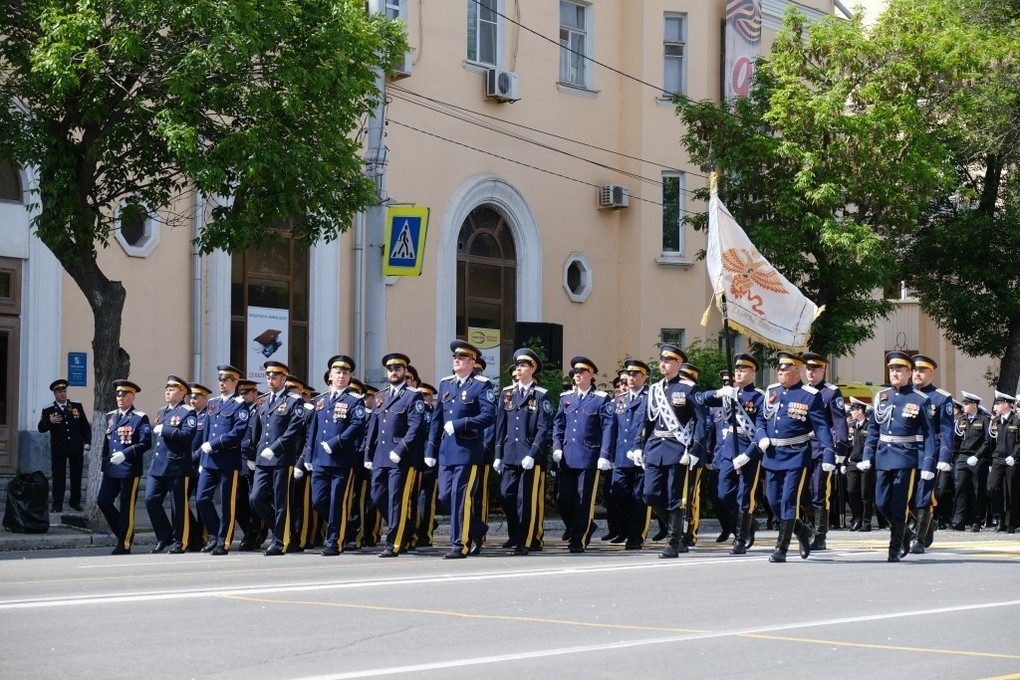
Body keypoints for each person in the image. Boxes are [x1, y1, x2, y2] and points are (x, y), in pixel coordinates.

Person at [755, 352, 834, 563]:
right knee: (773, 501)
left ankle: (781, 548)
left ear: (796, 370)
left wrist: (829, 453)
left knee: (789, 501)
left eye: (785, 369)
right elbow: (761, 420)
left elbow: (821, 427)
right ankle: (801, 529)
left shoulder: (809, 395)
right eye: (779, 369)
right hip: (773, 454)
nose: (780, 372)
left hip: (796, 455)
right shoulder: (771, 391)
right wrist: (761, 436)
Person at [860, 351, 936, 561]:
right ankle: (904, 531)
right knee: (881, 503)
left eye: (899, 370)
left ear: (909, 373)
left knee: (899, 505)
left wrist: (928, 465)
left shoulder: (921, 399)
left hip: (907, 457)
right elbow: (874, 428)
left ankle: (894, 548)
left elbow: (929, 435)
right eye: (892, 369)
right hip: (884, 455)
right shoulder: (882, 397)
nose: (894, 373)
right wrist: (868, 453)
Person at [426, 341, 497, 559]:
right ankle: (477, 528)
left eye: (462, 357)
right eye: (455, 357)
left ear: (471, 362)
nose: (456, 360)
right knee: (446, 496)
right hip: (447, 451)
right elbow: (436, 420)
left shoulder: (481, 385)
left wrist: (460, 424)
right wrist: (430, 449)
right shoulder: (446, 384)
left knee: (460, 497)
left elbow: (488, 415)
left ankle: (460, 545)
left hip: (467, 452)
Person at [639, 345, 707, 558]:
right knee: (649, 494)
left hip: (678, 448)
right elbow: (646, 421)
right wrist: (638, 446)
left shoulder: (689, 388)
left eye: (668, 361)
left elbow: (700, 420)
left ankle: (672, 543)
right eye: (662, 360)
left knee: (674, 498)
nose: (663, 364)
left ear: (678, 364)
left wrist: (695, 448)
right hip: (654, 447)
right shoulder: (654, 389)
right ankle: (676, 532)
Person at [301, 355, 368, 556]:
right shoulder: (320, 400)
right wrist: (308, 456)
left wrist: (336, 443)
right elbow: (313, 430)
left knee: (337, 501)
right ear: (331, 375)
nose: (341, 376)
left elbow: (357, 425)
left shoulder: (355, 400)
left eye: (345, 373)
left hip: (341, 460)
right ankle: (340, 527)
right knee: (318, 501)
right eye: (338, 372)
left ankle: (334, 542)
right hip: (320, 460)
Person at [551, 355, 613, 553]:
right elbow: (558, 424)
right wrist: (556, 446)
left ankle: (579, 538)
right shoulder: (566, 398)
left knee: (582, 499)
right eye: (575, 372)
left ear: (591, 374)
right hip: (567, 455)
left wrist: (604, 454)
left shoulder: (601, 399)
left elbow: (608, 427)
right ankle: (579, 527)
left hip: (588, 456)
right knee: (563, 498)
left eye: (581, 372)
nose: (577, 375)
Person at [704, 354, 765, 555]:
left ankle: (740, 538)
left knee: (744, 495)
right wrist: (719, 392)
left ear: (753, 373)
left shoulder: (759, 397)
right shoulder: (728, 393)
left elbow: (761, 429)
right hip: (729, 449)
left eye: (744, 370)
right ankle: (751, 523)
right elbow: (699, 399)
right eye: (737, 370)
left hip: (748, 450)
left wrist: (749, 454)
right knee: (723, 493)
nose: (738, 373)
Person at [365, 352, 424, 558]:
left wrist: (401, 450)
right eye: (390, 369)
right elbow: (373, 427)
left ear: (404, 371)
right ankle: (406, 529)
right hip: (381, 457)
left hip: (401, 458)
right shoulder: (380, 397)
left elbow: (415, 427)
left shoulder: (413, 395)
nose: (393, 372)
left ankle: (394, 543)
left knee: (396, 500)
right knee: (377, 496)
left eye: (398, 369)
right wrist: (367, 454)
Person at [494, 348, 552, 555]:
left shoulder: (540, 395)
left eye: (523, 365)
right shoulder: (507, 393)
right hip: (510, 453)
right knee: (505, 494)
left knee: (524, 500)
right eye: (517, 365)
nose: (519, 368)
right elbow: (500, 425)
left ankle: (525, 541)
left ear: (532, 369)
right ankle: (516, 533)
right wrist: (497, 455)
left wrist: (533, 453)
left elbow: (543, 429)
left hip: (529, 456)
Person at [248, 360, 306, 555]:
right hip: (263, 458)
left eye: (275, 377)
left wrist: (275, 447)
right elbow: (257, 430)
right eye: (268, 377)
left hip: (282, 458)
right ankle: (283, 531)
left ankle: (280, 542)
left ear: (283, 379)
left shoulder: (293, 401)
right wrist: (251, 454)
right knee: (256, 498)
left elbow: (293, 430)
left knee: (281, 501)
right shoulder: (263, 401)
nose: (271, 380)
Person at [196, 364, 250, 555]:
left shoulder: (241, 406)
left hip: (228, 461)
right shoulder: (213, 403)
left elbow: (237, 433)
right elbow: (206, 433)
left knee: (228, 503)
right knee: (202, 498)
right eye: (220, 379)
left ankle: (223, 542)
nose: (222, 383)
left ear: (234, 382)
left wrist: (215, 444)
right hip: (209, 461)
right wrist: (203, 457)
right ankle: (214, 535)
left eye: (226, 380)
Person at [800, 352, 849, 551]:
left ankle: (820, 535)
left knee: (819, 491)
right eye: (808, 368)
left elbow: (839, 422)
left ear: (823, 370)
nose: (811, 372)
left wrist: (841, 449)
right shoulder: (801, 391)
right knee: (801, 493)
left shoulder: (831, 393)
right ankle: (812, 526)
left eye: (815, 369)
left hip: (822, 447)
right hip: (802, 447)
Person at [906, 353, 955, 553]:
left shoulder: (941, 398)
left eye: (922, 371)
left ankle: (918, 538)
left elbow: (946, 430)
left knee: (923, 496)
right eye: (915, 370)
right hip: (906, 451)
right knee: (904, 497)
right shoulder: (904, 395)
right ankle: (928, 524)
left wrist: (944, 456)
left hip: (930, 452)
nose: (917, 374)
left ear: (931, 374)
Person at [145, 375, 198, 553]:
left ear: (182, 393)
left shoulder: (187, 411)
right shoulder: (162, 411)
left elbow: (187, 435)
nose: (167, 391)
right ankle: (164, 535)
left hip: (177, 466)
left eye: (172, 389)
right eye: (166, 389)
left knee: (178, 506)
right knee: (150, 499)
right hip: (158, 465)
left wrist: (166, 430)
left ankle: (179, 541)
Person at [98, 379, 152, 555]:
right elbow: (108, 441)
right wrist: (104, 461)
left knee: (126, 506)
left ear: (132, 397)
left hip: (129, 468)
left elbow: (145, 443)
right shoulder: (111, 416)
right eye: (118, 394)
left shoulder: (139, 418)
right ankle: (123, 531)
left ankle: (125, 542)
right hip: (112, 468)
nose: (120, 398)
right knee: (103, 501)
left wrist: (125, 454)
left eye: (124, 395)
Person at [608, 359, 650, 550]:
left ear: (644, 377)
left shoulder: (650, 399)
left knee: (639, 499)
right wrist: (607, 454)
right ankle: (626, 529)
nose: (631, 378)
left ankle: (636, 536)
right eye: (629, 375)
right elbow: (612, 429)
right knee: (618, 495)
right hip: (621, 456)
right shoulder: (619, 400)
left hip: (642, 458)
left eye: (635, 375)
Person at [37, 379, 91, 512]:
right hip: (59, 448)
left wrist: (87, 442)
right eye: (60, 392)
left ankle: (75, 502)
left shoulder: (76, 405)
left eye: (64, 391)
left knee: (76, 476)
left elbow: (84, 425)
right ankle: (57, 505)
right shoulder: (48, 409)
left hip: (76, 447)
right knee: (58, 478)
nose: (63, 394)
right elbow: (41, 428)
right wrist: (49, 421)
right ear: (55, 394)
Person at [951, 391, 991, 531]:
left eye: (966, 403)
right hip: (962, 457)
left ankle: (977, 521)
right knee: (960, 488)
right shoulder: (962, 419)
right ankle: (959, 520)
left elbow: (987, 441)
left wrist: (978, 456)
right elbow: (956, 441)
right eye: (964, 403)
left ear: (974, 405)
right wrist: (954, 458)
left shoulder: (984, 419)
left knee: (977, 490)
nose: (964, 405)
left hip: (978, 458)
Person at [986, 391, 1019, 534]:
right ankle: (999, 518)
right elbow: (991, 442)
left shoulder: (1017, 421)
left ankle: (1011, 522)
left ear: (1006, 404)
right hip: (997, 459)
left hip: (1012, 460)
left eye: (998, 403)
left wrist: (1014, 456)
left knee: (1012, 492)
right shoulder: (995, 421)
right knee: (993, 488)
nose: (995, 406)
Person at [845, 397, 874, 531]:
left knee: (865, 494)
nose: (851, 412)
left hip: (865, 463)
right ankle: (857, 518)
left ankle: (866, 522)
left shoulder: (869, 426)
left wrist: (868, 460)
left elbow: (872, 445)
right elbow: (847, 446)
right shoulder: (851, 427)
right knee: (851, 491)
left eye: (853, 409)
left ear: (860, 410)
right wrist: (844, 462)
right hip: (853, 463)